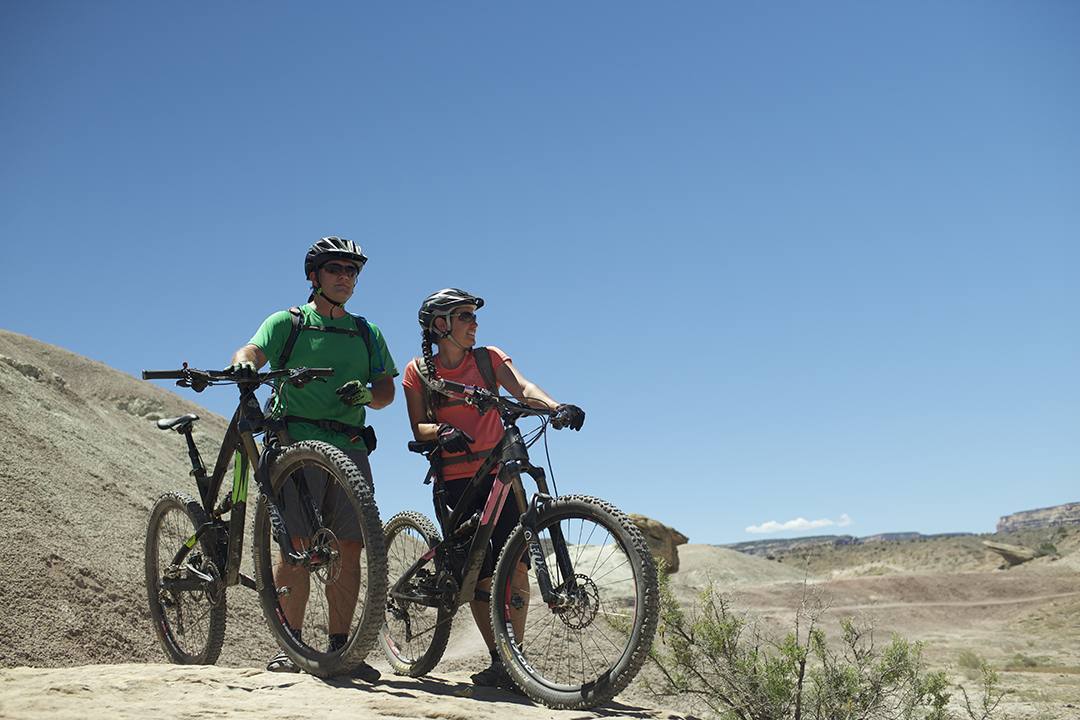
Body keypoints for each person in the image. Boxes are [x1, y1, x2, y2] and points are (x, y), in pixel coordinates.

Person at [227, 236, 398, 682]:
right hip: (294, 441)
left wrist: (367, 394)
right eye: (336, 269)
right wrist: (244, 363)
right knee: (296, 546)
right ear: (314, 276)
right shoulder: (289, 322)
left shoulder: (366, 331)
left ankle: (343, 648)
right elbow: (251, 350)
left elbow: (386, 391)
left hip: (350, 447)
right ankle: (293, 644)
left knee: (350, 547)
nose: (345, 277)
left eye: (352, 271)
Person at [400, 288, 585, 688]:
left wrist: (556, 408)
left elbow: (523, 389)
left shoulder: (488, 359)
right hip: (456, 482)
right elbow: (417, 427)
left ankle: (511, 662)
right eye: (464, 315)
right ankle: (501, 658)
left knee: (516, 567)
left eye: (473, 316)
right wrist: (442, 430)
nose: (474, 323)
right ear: (440, 325)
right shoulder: (418, 372)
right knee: (481, 575)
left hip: (501, 477)